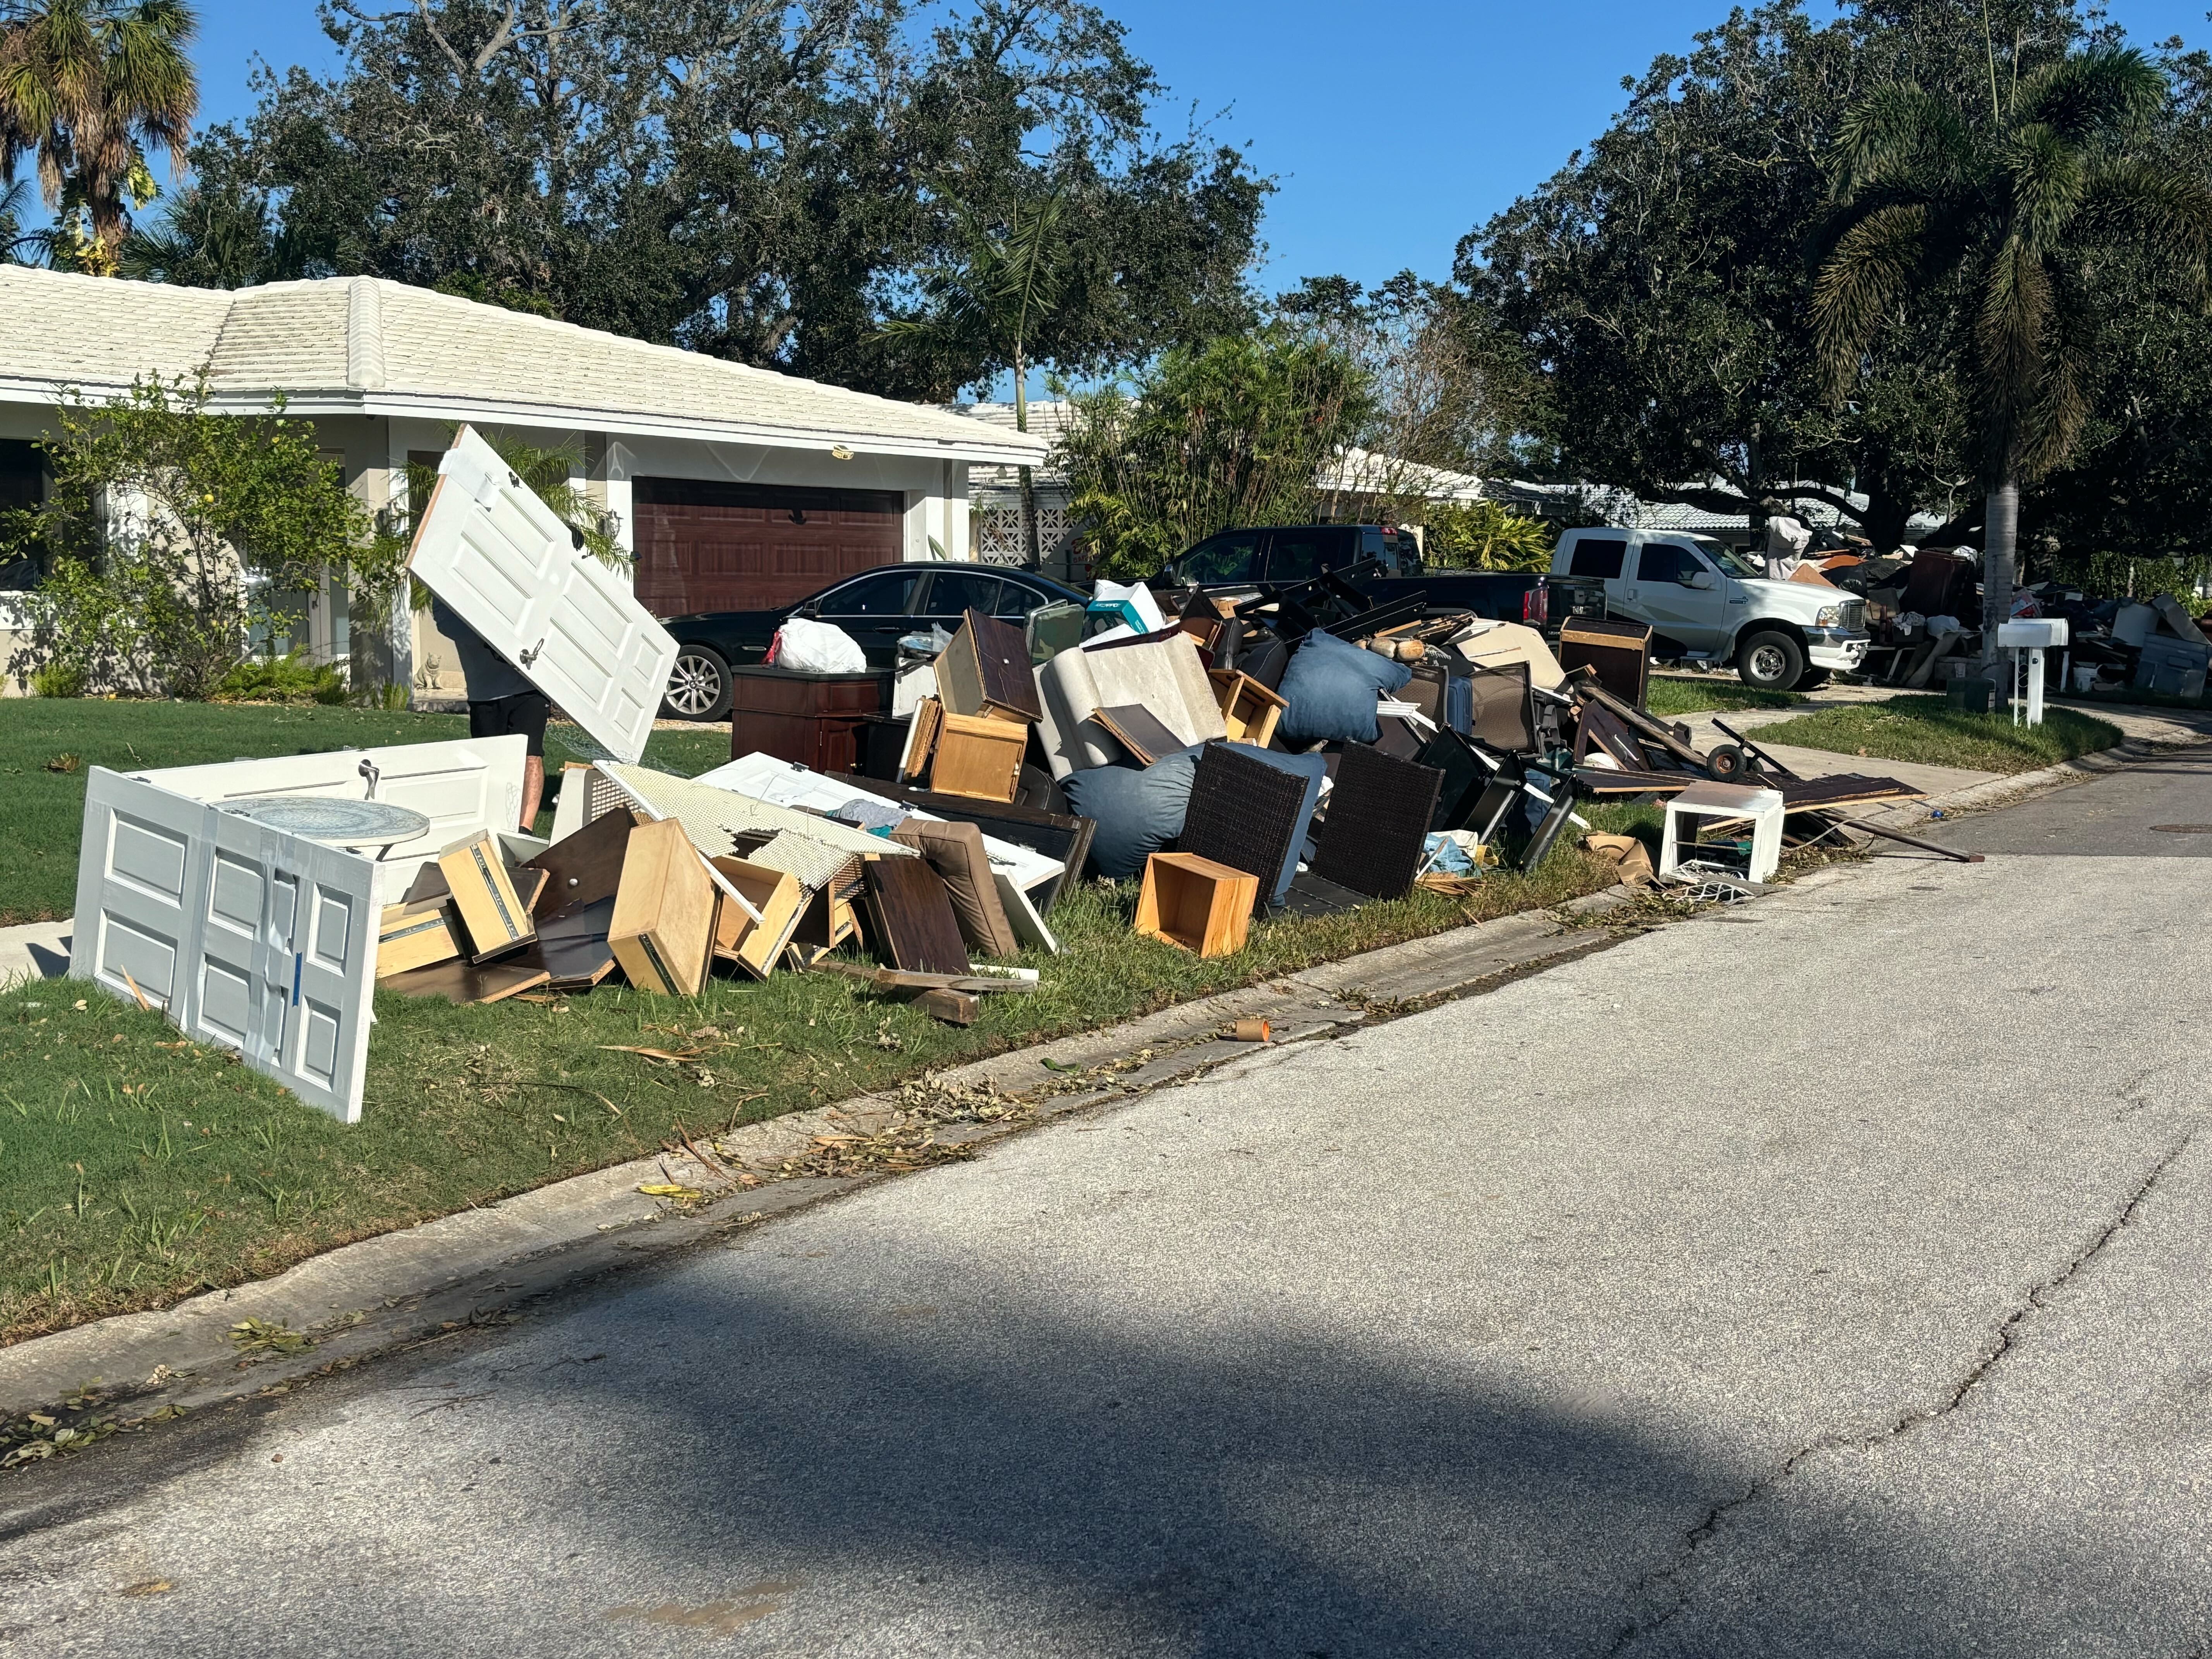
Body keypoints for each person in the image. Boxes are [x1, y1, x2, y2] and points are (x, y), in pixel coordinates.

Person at [430, 596, 549, 830]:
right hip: (483, 692)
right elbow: (446, 624)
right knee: (491, 763)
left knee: (531, 756)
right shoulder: (446, 582)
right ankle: (495, 826)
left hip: (530, 684)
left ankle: (525, 830)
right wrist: (493, 635)